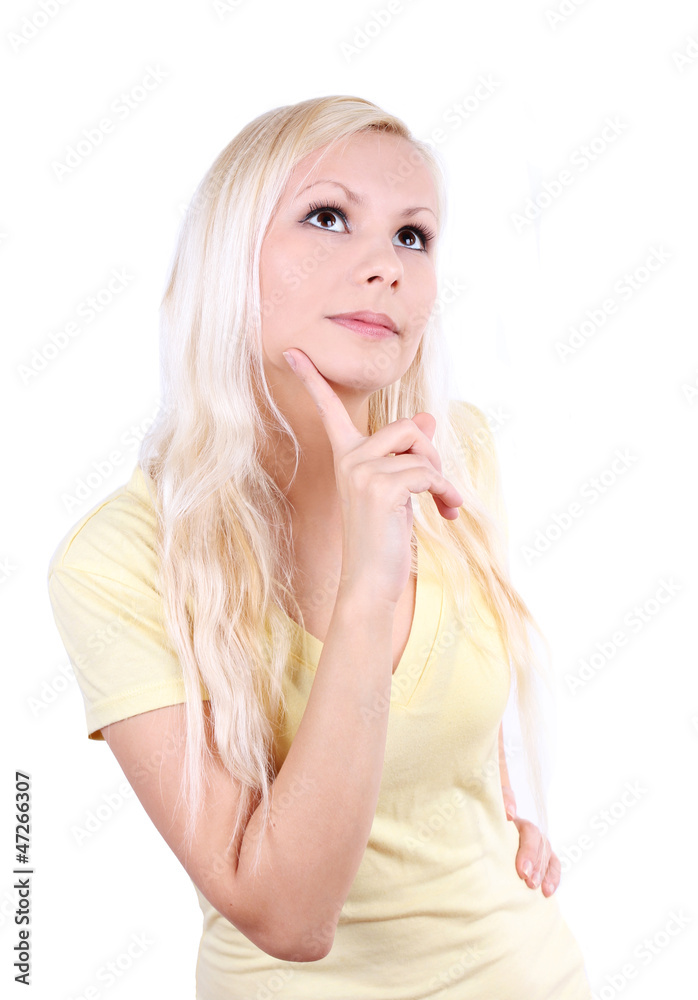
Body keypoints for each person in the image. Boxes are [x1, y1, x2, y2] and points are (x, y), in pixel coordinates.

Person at [47, 95, 593, 998]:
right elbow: (288, 918)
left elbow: (460, 673)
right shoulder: (115, 563)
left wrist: (497, 808)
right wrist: (372, 585)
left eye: (413, 237)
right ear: (228, 258)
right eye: (329, 218)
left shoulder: (454, 446)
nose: (384, 265)